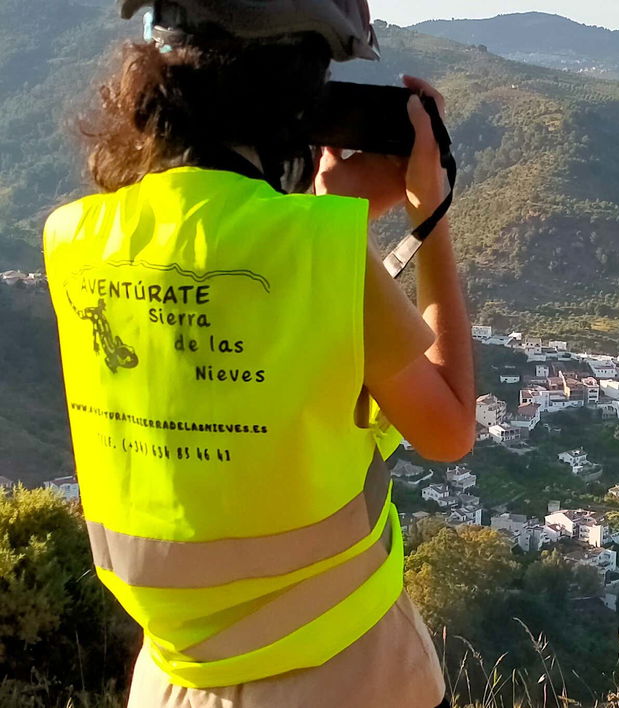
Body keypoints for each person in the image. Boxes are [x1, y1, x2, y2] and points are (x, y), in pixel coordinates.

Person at [42, 1, 475, 705]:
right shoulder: (318, 250)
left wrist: (321, 212)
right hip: (350, 672)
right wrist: (432, 216)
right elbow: (448, 427)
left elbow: (219, 331)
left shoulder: (73, 238)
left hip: (168, 679)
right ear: (297, 95)